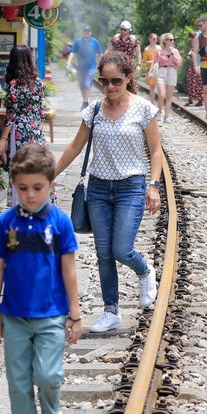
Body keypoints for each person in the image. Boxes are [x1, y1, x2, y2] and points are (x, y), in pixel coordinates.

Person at [0, 144, 82, 414]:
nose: (30, 195)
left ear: (51, 186)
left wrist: (75, 314)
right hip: (13, 317)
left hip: (52, 315)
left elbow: (69, 270)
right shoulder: (5, 224)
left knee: (48, 375)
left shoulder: (60, 223)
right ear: (14, 185)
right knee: (18, 381)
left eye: (37, 188)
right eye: (23, 188)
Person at [54, 51, 162, 333]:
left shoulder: (143, 109)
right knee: (103, 254)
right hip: (98, 188)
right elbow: (75, 147)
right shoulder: (93, 111)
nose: (110, 86)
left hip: (131, 187)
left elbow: (156, 150)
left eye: (116, 80)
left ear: (128, 78)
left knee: (121, 249)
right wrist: (50, 176)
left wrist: (153, 185)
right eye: (104, 81)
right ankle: (111, 311)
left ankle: (145, 271)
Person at [0, 46, 47, 203]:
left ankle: (19, 204)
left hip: (19, 131)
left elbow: (11, 115)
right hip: (36, 130)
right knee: (36, 167)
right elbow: (41, 112)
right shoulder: (39, 83)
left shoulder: (14, 85)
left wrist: (3, 138)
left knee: (19, 167)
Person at [66, 26, 103, 109]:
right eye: (85, 31)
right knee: (82, 85)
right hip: (81, 67)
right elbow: (73, 52)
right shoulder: (78, 42)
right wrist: (69, 61)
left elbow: (100, 54)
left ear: (91, 32)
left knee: (87, 84)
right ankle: (85, 101)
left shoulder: (95, 42)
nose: (87, 33)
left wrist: (102, 64)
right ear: (83, 32)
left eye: (88, 31)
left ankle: (85, 102)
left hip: (91, 67)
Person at [154, 32, 183, 123]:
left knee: (169, 97)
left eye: (173, 40)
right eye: (170, 40)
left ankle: (167, 116)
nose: (172, 41)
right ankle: (159, 113)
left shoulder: (175, 51)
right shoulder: (159, 51)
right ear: (165, 41)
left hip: (172, 72)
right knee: (161, 95)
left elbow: (179, 63)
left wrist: (172, 54)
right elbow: (155, 62)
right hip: (162, 73)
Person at [185, 30, 203, 107]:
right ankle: (190, 99)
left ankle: (200, 100)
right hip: (193, 65)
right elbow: (191, 52)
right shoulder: (194, 45)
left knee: (198, 82)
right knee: (191, 81)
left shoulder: (201, 44)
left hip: (199, 65)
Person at [142, 32, 161, 105]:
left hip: (159, 70)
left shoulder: (159, 48)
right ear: (150, 39)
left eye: (156, 39)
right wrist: (153, 61)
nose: (155, 40)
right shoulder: (147, 49)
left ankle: (160, 104)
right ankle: (152, 104)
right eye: (154, 39)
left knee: (160, 88)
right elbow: (145, 61)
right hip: (151, 70)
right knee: (152, 88)